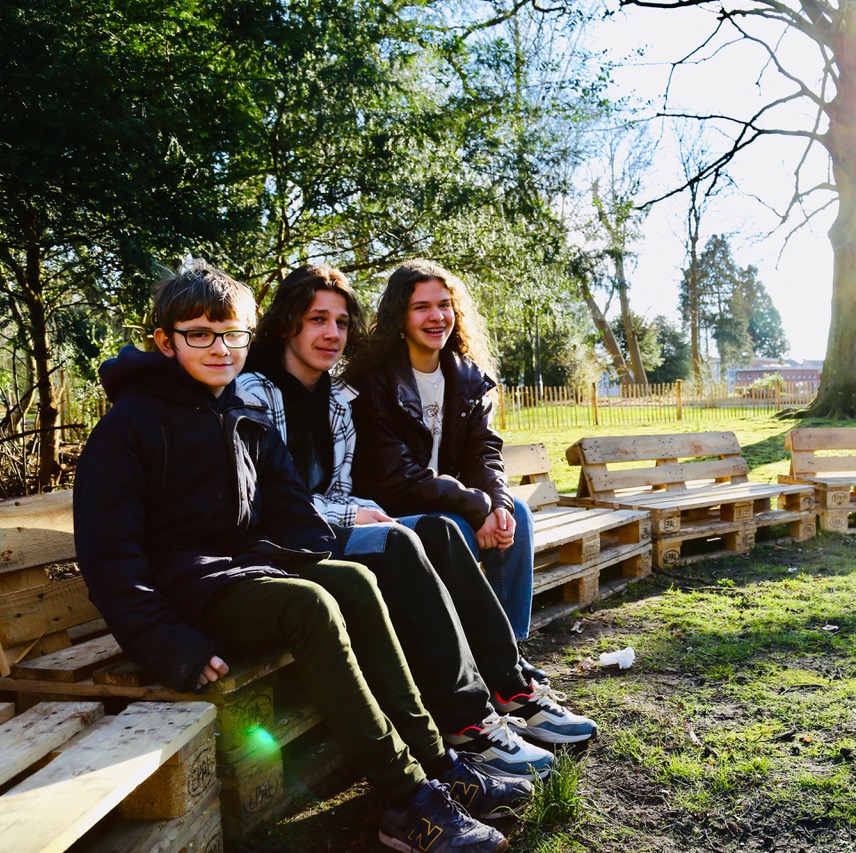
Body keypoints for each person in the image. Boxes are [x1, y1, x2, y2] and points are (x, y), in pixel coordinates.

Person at [73, 264, 525, 853]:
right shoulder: (128, 427)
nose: (220, 348)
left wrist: (317, 553)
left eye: (233, 334)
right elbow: (109, 557)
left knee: (354, 580)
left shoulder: (240, 414)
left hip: (248, 570)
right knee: (310, 602)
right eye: (200, 334)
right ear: (166, 341)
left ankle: (439, 765)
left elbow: (290, 510)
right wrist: (169, 644)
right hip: (187, 595)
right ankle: (405, 801)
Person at [237, 263, 596, 763]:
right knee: (417, 535)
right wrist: (354, 515)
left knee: (439, 532)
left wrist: (366, 511)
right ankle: (466, 721)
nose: (332, 334)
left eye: (341, 323)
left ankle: (510, 685)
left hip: (327, 527)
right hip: (284, 543)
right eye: (318, 319)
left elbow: (344, 488)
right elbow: (268, 500)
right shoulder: (255, 393)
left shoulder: (337, 402)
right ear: (285, 324)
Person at [344, 260, 535, 646]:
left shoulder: (466, 378)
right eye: (422, 307)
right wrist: (474, 505)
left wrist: (495, 503)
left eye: (444, 305)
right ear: (400, 317)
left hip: (447, 502)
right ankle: (481, 650)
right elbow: (397, 475)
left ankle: (509, 648)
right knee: (459, 528)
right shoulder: (372, 382)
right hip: (390, 508)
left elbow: (483, 453)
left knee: (517, 514)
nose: (437, 317)